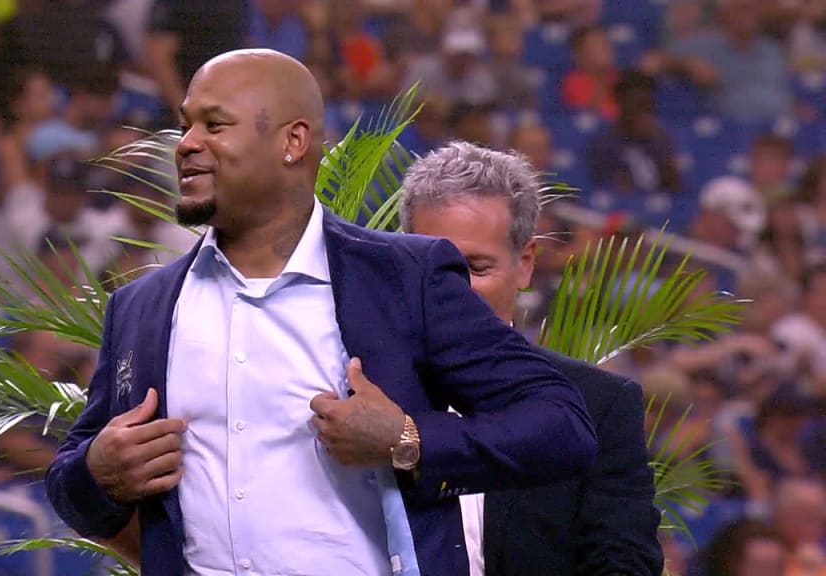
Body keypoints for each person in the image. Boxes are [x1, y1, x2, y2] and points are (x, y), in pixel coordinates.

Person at [45, 48, 598, 575]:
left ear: (293, 141)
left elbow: (560, 423)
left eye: (214, 125)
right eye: (186, 123)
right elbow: (74, 484)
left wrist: (410, 440)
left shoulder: (403, 277)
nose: (186, 143)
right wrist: (98, 473)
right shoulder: (139, 307)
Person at [400, 141, 663, 576]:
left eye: (477, 268)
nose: (452, 289)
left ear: (524, 264)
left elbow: (622, 564)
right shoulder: (355, 388)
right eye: (433, 268)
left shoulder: (600, 406)